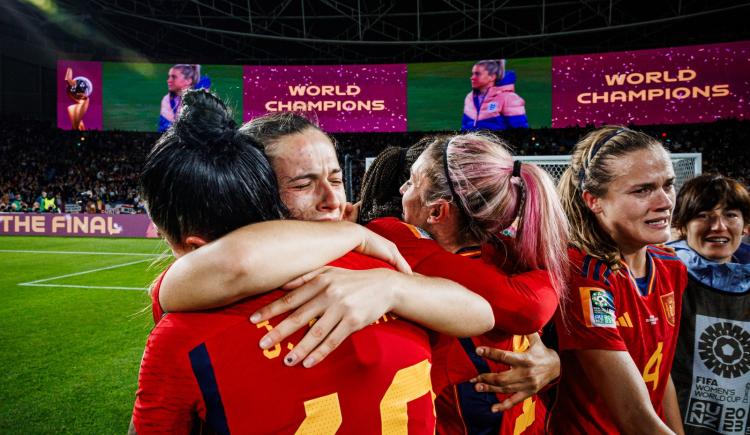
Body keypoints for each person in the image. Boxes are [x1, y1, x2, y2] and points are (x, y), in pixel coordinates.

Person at [130, 91, 482, 433]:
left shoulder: (186, 332)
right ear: (257, 191)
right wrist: (358, 242)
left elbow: (482, 313)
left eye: (335, 178)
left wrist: (393, 285)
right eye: (303, 183)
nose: (332, 200)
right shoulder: (388, 262)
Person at [344, 134, 567, 434]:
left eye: (410, 183)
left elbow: (528, 308)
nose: (401, 190)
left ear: (437, 212)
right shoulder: (512, 255)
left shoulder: (399, 240)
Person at [551, 126, 687, 434]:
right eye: (642, 190)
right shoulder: (582, 275)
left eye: (668, 185)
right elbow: (632, 413)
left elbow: (660, 376)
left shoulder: (671, 266)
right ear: (594, 201)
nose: (664, 201)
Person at [668, 174, 750, 435]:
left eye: (731, 215)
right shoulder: (661, 274)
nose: (718, 226)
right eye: (703, 215)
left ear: (745, 225)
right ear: (681, 224)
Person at [461, 59, 529, 131]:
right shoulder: (469, 98)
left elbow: (520, 130)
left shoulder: (508, 98)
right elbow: (464, 126)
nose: (472, 77)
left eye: (477, 74)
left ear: (492, 77)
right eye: (473, 74)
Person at [158, 64, 210, 132]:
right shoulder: (167, 100)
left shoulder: (201, 92)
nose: (168, 80)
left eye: (174, 77)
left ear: (188, 81)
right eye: (169, 76)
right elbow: (166, 129)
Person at [64, 67, 92, 131]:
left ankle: (77, 131)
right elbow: (67, 80)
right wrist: (69, 69)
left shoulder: (84, 99)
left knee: (76, 123)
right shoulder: (72, 107)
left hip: (82, 101)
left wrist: (69, 69)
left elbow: (67, 80)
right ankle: (78, 131)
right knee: (72, 111)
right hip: (80, 100)